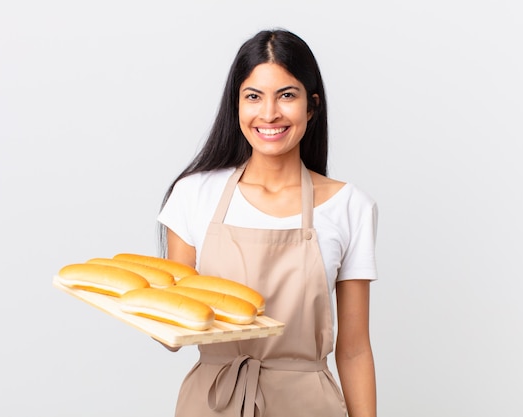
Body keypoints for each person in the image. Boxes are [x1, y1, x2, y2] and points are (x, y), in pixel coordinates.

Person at [157, 28, 378, 417]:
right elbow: (172, 329)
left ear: (311, 106)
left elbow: (355, 347)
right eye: (253, 96)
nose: (269, 113)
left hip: (308, 406)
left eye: (286, 95)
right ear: (236, 105)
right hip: (213, 402)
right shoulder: (193, 195)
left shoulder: (348, 206)